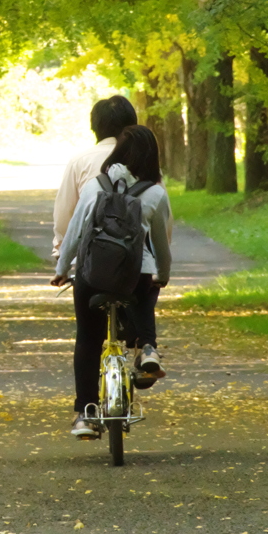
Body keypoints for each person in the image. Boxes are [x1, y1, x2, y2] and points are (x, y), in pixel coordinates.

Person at [50, 125, 173, 439]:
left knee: (88, 340)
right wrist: (163, 274)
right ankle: (146, 349)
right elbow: (161, 244)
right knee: (143, 296)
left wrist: (63, 269)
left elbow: (76, 233)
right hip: (136, 276)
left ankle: (84, 415)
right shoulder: (155, 193)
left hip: (93, 275)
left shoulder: (95, 187)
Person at [52, 95, 138, 260]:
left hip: (92, 256)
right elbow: (162, 213)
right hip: (137, 258)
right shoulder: (145, 161)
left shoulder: (80, 161)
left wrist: (62, 249)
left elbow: (65, 211)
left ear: (94, 127)